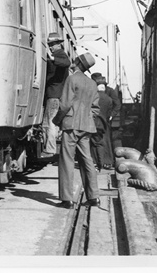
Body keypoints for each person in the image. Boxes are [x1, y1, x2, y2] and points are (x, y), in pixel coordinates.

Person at [54, 52, 100, 209]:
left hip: (71, 125)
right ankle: (94, 197)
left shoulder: (72, 79)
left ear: (78, 63)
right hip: (86, 127)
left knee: (67, 160)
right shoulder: (92, 83)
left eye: (76, 60)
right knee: (87, 160)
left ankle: (67, 199)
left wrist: (57, 120)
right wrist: (87, 118)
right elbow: (95, 109)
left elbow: (65, 104)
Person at [42, 32, 70, 158]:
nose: (51, 47)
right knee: (48, 123)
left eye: (52, 44)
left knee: (51, 123)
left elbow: (66, 62)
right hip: (54, 95)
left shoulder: (60, 54)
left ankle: (50, 149)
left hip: (54, 96)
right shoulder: (58, 55)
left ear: (58, 44)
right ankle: (49, 148)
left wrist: (52, 59)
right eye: (50, 44)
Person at [90, 77, 115, 171]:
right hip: (103, 124)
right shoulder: (109, 99)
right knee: (100, 143)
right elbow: (108, 114)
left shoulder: (94, 97)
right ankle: (101, 162)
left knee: (93, 144)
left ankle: (95, 163)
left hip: (93, 122)